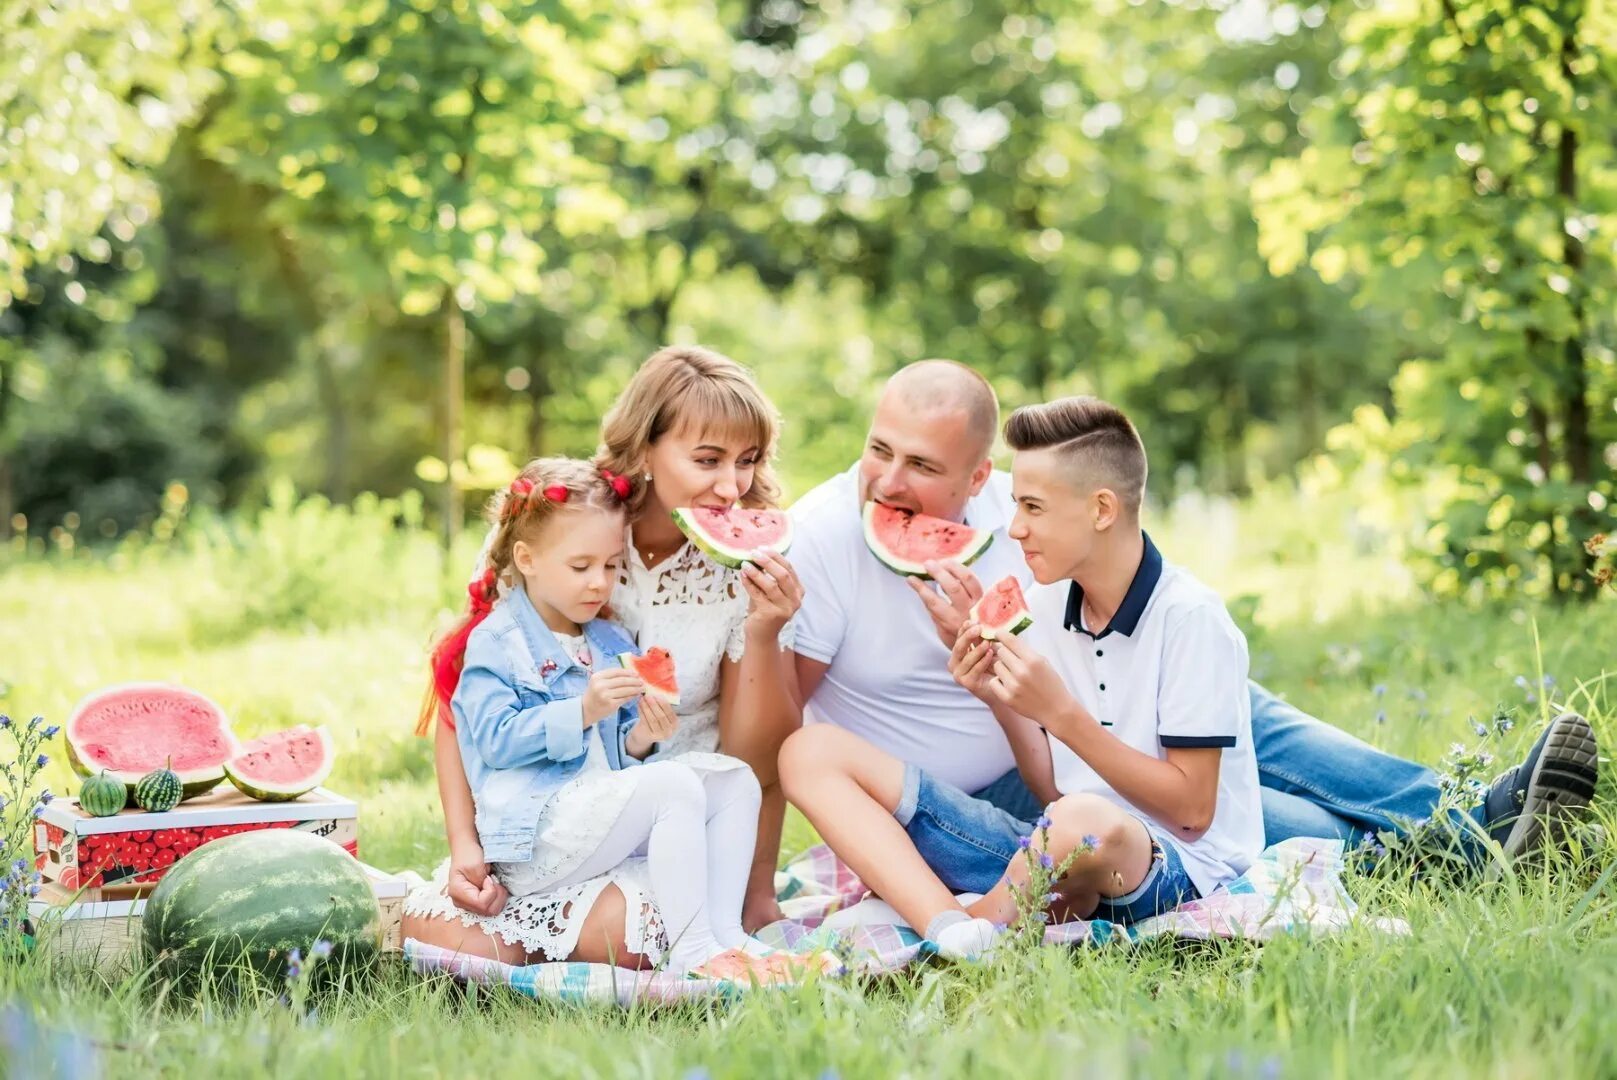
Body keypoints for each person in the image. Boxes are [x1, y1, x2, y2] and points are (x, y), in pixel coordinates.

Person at [782, 360, 1597, 874]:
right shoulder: (823, 538)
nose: (886, 483)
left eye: (921, 465)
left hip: (1094, 700)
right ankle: (1478, 849)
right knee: (1260, 824)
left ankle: (1477, 811)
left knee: (1241, 710)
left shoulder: (1017, 502)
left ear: (975, 477)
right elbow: (785, 724)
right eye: (876, 450)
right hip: (1017, 777)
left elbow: (1126, 574)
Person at [783, 397, 1264, 958]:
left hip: (1169, 871)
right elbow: (1054, 791)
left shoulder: (1191, 620)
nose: (1014, 529)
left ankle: (972, 921)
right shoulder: (1048, 603)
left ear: (1102, 509)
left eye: (1033, 508)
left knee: (1085, 821)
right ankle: (954, 926)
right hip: (1051, 848)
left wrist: (1059, 713)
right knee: (808, 751)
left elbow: (1191, 812)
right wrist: (998, 696)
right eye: (1014, 506)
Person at [402, 347, 805, 966]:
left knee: (649, 909)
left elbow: (755, 763)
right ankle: (538, 933)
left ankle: (715, 944)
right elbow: (466, 710)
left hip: (673, 827)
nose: (732, 487)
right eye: (707, 460)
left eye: (746, 462)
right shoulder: (559, 516)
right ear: (645, 449)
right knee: (626, 930)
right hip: (554, 813)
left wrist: (762, 630)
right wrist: (464, 848)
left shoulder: (744, 566)